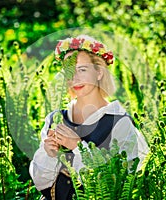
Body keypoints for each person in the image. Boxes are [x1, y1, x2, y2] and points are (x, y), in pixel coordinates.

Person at [29, 35, 149, 200]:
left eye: (82, 69)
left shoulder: (119, 122)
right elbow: (42, 184)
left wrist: (78, 147)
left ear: (99, 72)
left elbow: (124, 186)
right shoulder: (54, 119)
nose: (74, 78)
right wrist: (48, 154)